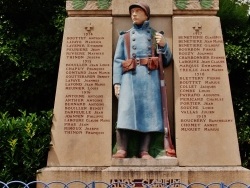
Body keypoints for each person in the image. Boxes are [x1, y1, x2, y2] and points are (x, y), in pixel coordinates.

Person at [112, 2, 172, 159]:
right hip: (129, 79)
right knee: (125, 113)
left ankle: (144, 150)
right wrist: (117, 82)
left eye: (138, 11)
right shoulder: (124, 36)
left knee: (149, 115)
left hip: (149, 80)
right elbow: (118, 60)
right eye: (132, 12)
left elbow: (166, 61)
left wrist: (164, 45)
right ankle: (122, 149)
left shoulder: (154, 35)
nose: (134, 14)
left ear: (146, 15)